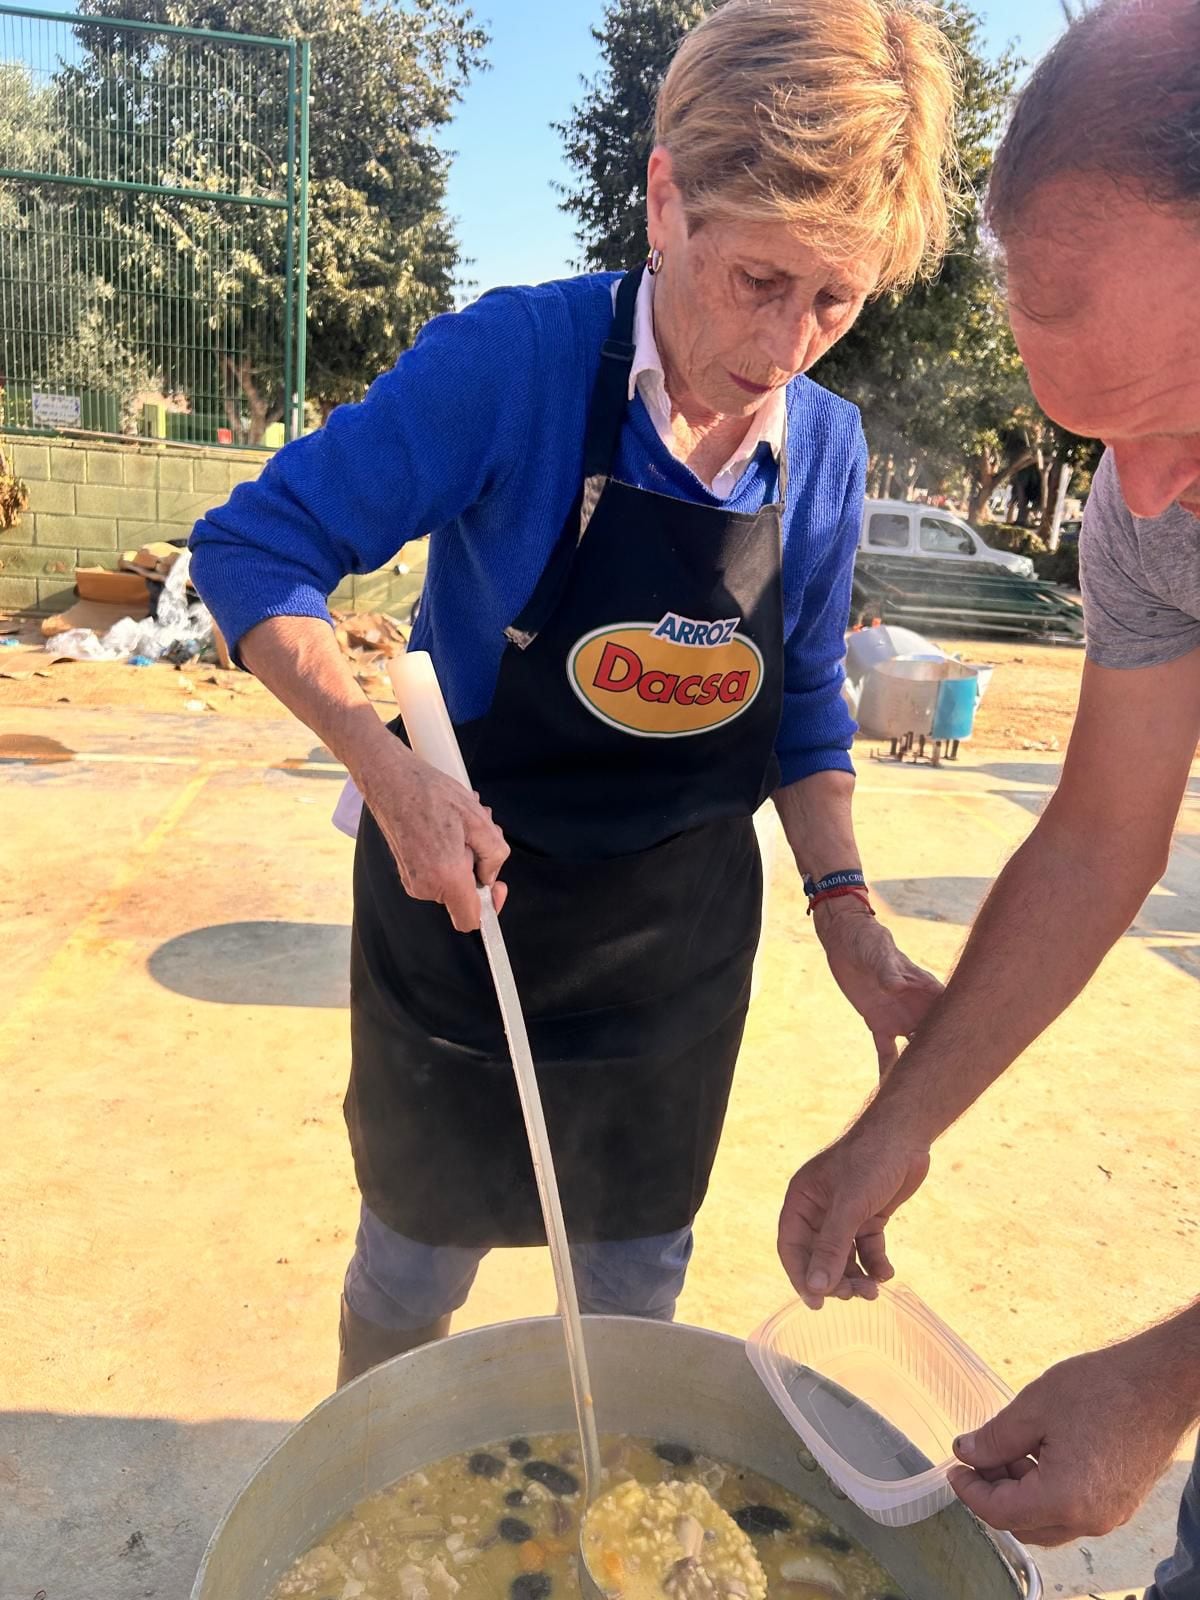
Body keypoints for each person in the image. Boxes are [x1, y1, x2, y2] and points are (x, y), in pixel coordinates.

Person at [191, 0, 956, 1388]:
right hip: (463, 912)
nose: (787, 347)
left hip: (672, 954)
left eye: (834, 301)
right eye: (758, 281)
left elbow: (799, 717)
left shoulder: (825, 457)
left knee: (629, 1300)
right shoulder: (516, 366)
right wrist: (387, 770)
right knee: (411, 1262)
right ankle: (375, 1479)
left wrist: (846, 913)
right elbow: (255, 546)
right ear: (666, 200)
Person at [776, 2, 1200, 1592]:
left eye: (1188, 419)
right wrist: (905, 1119)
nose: (1146, 500)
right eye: (1098, 437)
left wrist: (1168, 1378)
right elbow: (1099, 837)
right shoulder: (1155, 520)